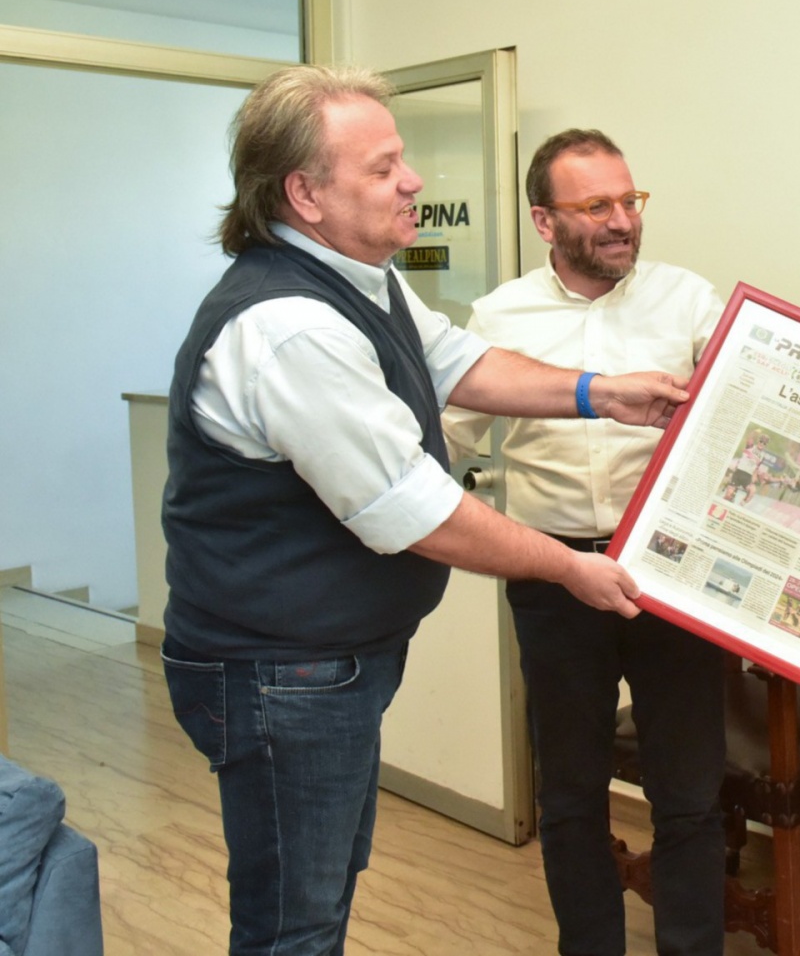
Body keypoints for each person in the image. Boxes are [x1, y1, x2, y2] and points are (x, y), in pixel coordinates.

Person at [160, 69, 688, 956]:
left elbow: (467, 366)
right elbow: (412, 510)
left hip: (329, 659)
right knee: (295, 921)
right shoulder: (292, 326)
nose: (413, 181)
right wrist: (568, 565)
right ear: (305, 193)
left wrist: (603, 392)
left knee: (321, 892)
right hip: (278, 671)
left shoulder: (367, 280)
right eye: (383, 167)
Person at [443, 128, 800, 956]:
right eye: (595, 205)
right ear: (544, 221)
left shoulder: (687, 301)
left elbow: (783, 403)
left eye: (629, 201)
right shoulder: (499, 317)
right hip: (555, 576)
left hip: (671, 577)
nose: (621, 221)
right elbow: (449, 438)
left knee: (688, 792)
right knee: (569, 794)